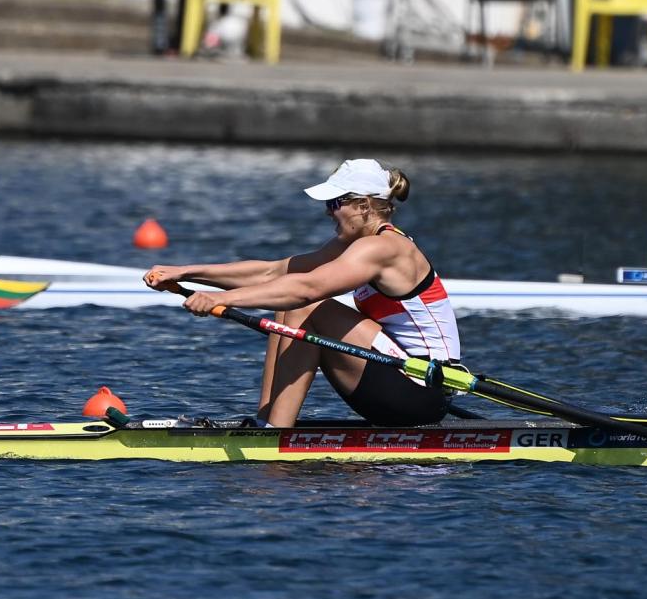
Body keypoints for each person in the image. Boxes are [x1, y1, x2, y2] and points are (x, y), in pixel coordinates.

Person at [143, 159, 461, 427]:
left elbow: (307, 289)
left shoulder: (384, 248)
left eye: (334, 204)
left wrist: (222, 299)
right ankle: (267, 422)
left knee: (305, 305)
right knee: (288, 304)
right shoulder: (355, 245)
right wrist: (185, 272)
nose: (328, 212)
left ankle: (276, 433)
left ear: (364, 206)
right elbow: (273, 273)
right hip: (397, 381)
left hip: (423, 390)